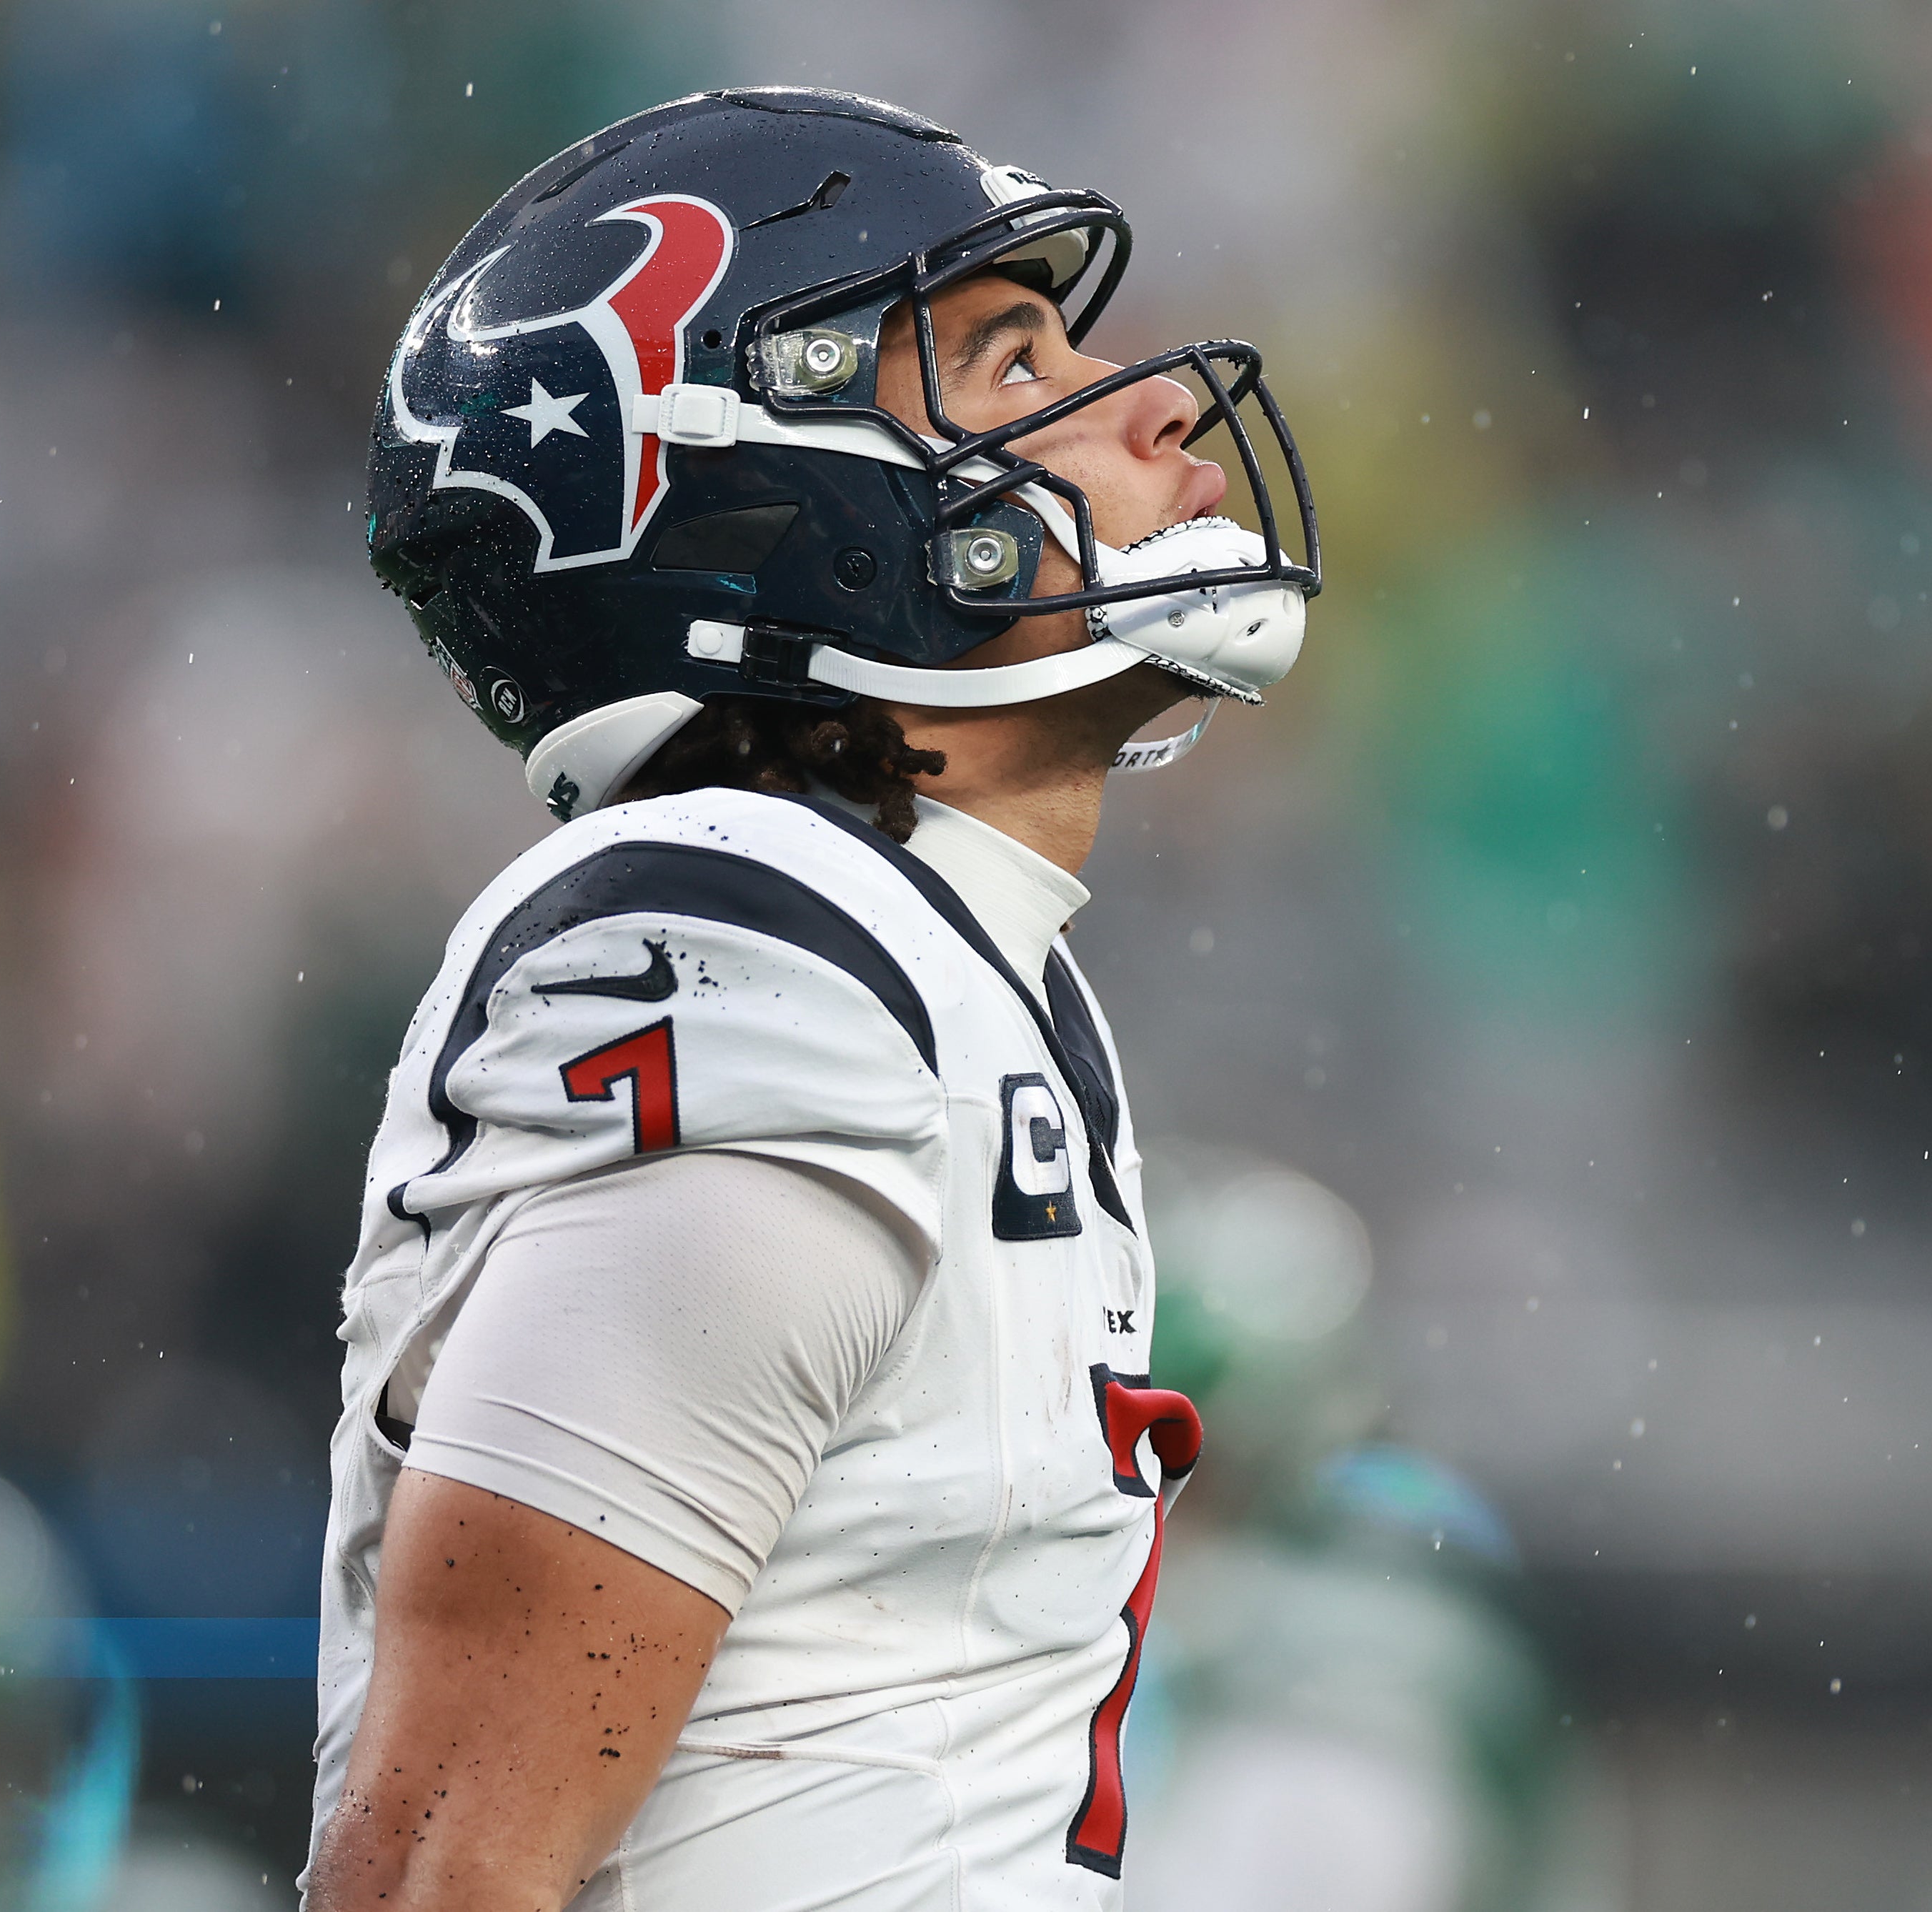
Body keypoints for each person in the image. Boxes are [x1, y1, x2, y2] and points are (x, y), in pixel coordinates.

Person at [301, 89, 1320, 1912]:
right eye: (1014, 365)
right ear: (776, 501)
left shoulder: (948, 948)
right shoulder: (759, 946)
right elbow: (445, 1871)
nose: (1152, 404)